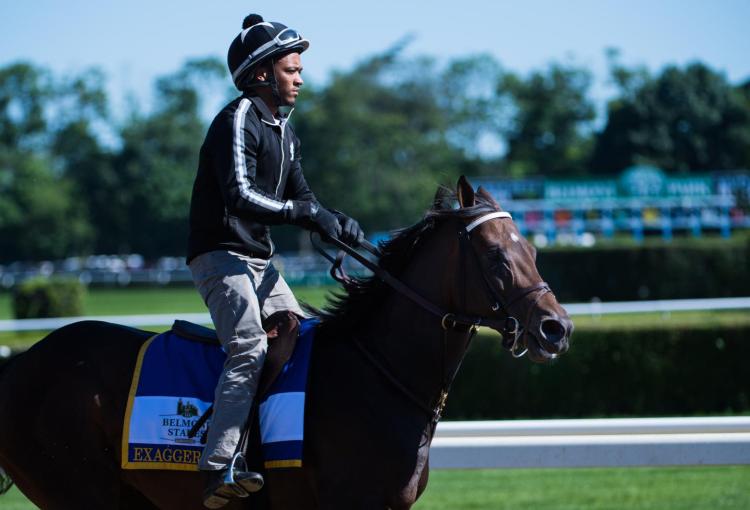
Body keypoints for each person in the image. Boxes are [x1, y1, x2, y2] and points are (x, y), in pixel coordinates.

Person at [186, 13, 363, 509]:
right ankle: (220, 465)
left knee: (307, 339)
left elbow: (300, 195)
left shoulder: (285, 131)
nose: (301, 78)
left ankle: (284, 448)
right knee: (249, 348)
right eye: (292, 69)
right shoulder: (238, 118)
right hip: (220, 256)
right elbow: (240, 195)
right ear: (262, 74)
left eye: (300, 69)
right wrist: (303, 212)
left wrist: (333, 219)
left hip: (260, 263)